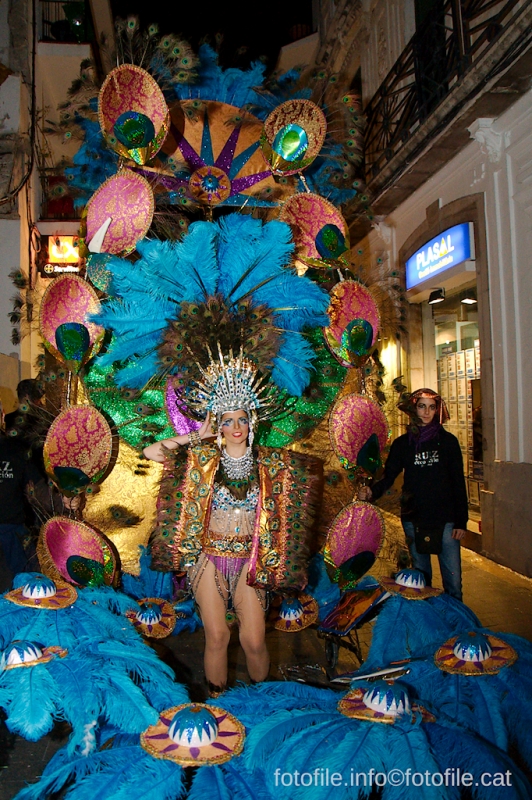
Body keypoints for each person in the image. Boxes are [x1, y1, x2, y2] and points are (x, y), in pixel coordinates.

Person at [144, 395, 321, 696]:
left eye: (241, 419)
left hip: (250, 562)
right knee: (217, 635)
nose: (235, 427)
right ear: (219, 426)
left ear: (251, 422)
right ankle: (219, 704)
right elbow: (150, 452)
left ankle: (258, 701)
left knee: (254, 641)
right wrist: (198, 435)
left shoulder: (271, 463)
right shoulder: (203, 459)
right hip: (209, 559)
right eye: (227, 421)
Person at [358, 388, 468, 601]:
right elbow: (388, 476)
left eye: (431, 407)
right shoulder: (402, 444)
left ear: (437, 410)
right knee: (421, 583)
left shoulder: (448, 443)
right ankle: (427, 628)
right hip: (414, 519)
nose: (426, 412)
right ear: (413, 409)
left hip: (446, 521)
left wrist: (461, 522)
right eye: (421, 406)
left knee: (453, 583)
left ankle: (457, 628)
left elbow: (457, 482)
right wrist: (372, 491)